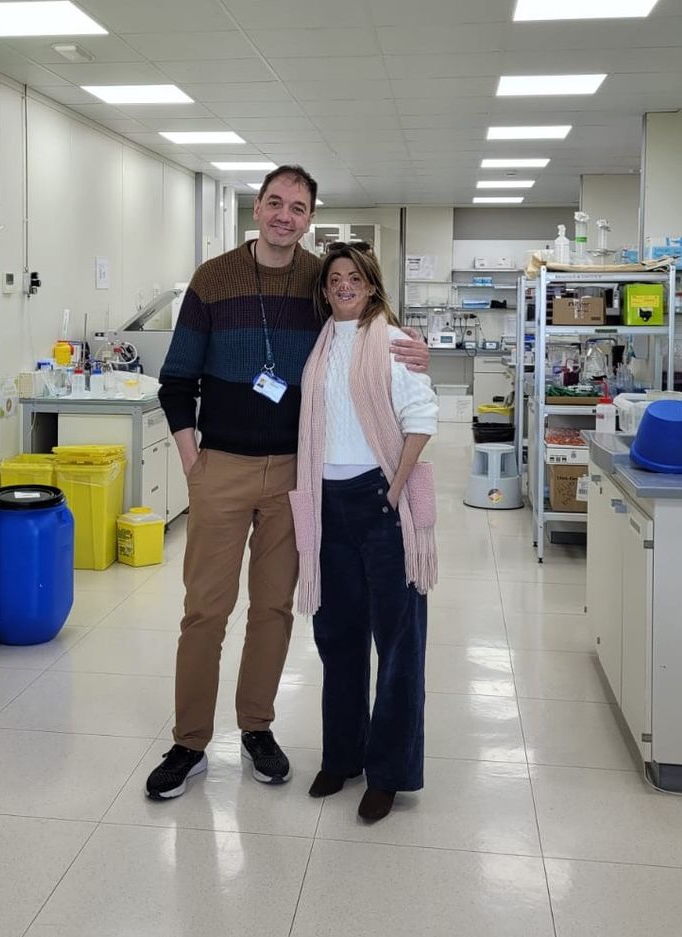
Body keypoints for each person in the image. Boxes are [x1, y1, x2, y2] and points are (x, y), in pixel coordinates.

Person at [146, 165, 430, 800]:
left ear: (309, 217)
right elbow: (176, 384)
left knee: (274, 608)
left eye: (297, 208)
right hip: (222, 467)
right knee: (205, 611)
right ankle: (189, 741)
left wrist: (417, 348)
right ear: (257, 209)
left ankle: (256, 729)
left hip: (297, 477)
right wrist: (196, 467)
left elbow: (371, 324)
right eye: (274, 203)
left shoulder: (318, 280)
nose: (284, 215)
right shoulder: (213, 279)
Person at [290, 243, 438, 822]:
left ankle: (389, 772)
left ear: (372, 286)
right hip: (326, 504)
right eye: (334, 279)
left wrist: (395, 489)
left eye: (354, 278)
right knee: (337, 635)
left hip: (381, 502)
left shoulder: (395, 343)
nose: (344, 286)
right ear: (324, 290)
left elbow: (421, 421)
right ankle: (342, 756)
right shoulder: (321, 345)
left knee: (398, 643)